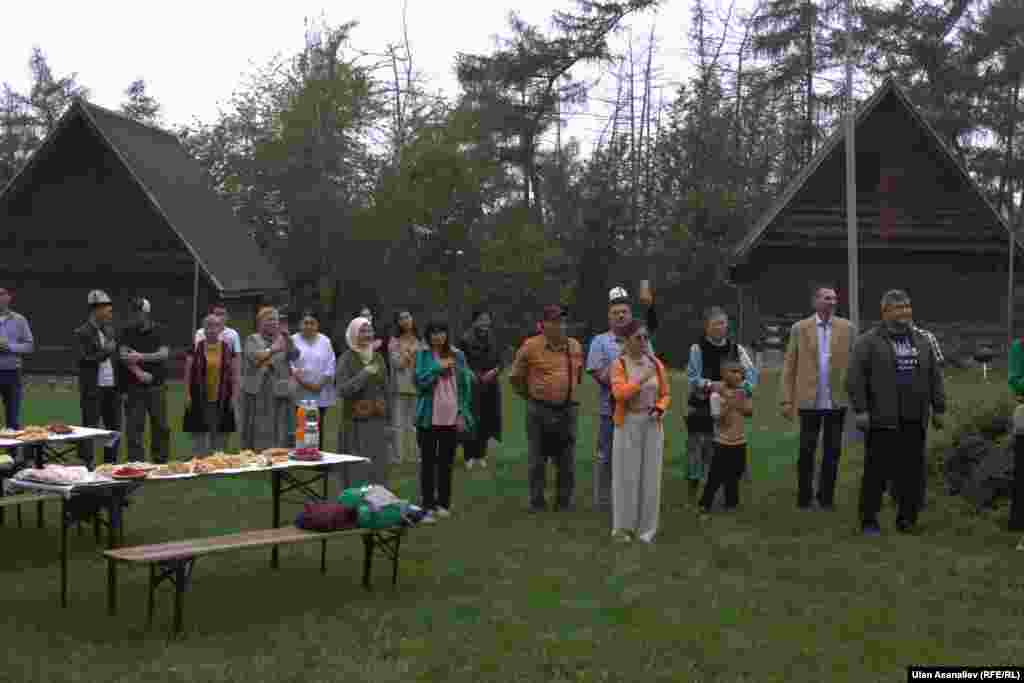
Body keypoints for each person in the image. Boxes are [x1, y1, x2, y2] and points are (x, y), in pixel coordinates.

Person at [848, 289, 946, 536]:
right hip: (882, 418)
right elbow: (855, 378)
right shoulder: (868, 341)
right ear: (885, 312)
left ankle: (907, 520)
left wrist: (939, 407)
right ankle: (869, 520)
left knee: (911, 473)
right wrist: (861, 410)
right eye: (899, 307)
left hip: (915, 418)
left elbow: (935, 376)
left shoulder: (922, 341)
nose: (905, 312)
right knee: (876, 472)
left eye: (907, 307)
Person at [780, 285, 857, 511]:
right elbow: (790, 365)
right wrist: (786, 399)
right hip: (808, 399)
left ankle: (826, 499)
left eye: (834, 298)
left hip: (837, 400)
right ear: (815, 302)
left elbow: (856, 364)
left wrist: (858, 396)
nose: (832, 302)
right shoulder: (799, 328)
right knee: (806, 451)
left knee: (832, 452)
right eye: (827, 298)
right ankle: (804, 498)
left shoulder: (848, 328)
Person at [509, 304, 584, 512]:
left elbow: (578, 375)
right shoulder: (531, 346)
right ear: (543, 325)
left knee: (567, 459)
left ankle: (564, 502)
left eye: (563, 321)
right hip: (539, 410)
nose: (560, 326)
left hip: (567, 409)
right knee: (537, 459)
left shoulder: (575, 346)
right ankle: (537, 502)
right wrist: (530, 396)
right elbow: (515, 377)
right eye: (555, 321)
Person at [685, 307, 757, 508]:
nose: (720, 327)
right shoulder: (697, 349)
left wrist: (741, 388)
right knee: (698, 452)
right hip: (701, 407)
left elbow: (752, 375)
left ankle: (724, 494)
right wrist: (712, 385)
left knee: (724, 452)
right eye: (716, 323)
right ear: (706, 326)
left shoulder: (737, 349)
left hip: (730, 408)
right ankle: (696, 492)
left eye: (723, 323)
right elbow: (693, 378)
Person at [609, 319, 670, 543]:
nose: (643, 341)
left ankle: (647, 529)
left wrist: (660, 408)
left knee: (651, 476)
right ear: (626, 340)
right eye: (638, 337)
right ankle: (623, 528)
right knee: (626, 475)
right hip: (628, 423)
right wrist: (643, 378)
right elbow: (620, 394)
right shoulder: (619, 364)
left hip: (652, 424)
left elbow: (665, 394)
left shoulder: (655, 363)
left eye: (646, 337)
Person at [587, 286, 644, 514]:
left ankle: (631, 497)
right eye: (616, 312)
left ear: (630, 315)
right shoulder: (599, 342)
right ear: (609, 317)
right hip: (610, 412)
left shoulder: (641, 338)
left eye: (624, 312)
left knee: (634, 456)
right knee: (606, 457)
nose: (621, 316)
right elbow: (600, 375)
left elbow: (649, 368)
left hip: (638, 410)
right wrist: (624, 368)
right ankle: (603, 501)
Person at [415, 318, 475, 523]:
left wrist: (462, 412)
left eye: (441, 332)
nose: (438, 337)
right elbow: (420, 383)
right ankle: (428, 505)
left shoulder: (458, 355)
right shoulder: (423, 355)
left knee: (446, 463)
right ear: (428, 336)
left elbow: (465, 386)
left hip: (451, 415)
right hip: (428, 417)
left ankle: (443, 504)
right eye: (433, 333)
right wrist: (436, 368)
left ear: (447, 334)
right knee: (428, 463)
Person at [337, 316, 392, 489]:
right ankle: (356, 500)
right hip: (355, 424)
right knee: (357, 466)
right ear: (353, 334)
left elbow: (387, 390)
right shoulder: (346, 358)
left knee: (377, 464)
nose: (367, 335)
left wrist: (389, 421)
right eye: (362, 331)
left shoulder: (378, 358)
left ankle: (378, 499)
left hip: (377, 422)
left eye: (370, 330)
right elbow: (342, 390)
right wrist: (364, 374)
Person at [698, 355, 754, 517]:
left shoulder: (743, 392)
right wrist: (729, 402)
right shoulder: (716, 396)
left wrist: (743, 400)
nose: (737, 375)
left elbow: (749, 412)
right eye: (733, 371)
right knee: (716, 475)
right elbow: (718, 419)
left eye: (739, 372)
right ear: (723, 374)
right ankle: (705, 503)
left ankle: (731, 503)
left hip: (740, 441)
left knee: (735, 474)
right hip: (722, 442)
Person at [74, 290, 124, 467]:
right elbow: (83, 360)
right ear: (96, 310)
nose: (110, 312)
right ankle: (87, 465)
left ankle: (110, 464)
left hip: (112, 388)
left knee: (113, 430)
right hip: (93, 389)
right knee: (89, 428)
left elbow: (116, 358)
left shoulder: (110, 330)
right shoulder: (82, 332)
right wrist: (105, 352)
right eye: (106, 308)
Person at [120, 297, 171, 463]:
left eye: (138, 312)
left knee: (160, 426)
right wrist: (139, 373)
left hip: (157, 386)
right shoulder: (127, 331)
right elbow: (123, 355)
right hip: (134, 387)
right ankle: (136, 464)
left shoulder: (160, 330)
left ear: (146, 313)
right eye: (133, 312)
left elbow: (163, 354)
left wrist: (140, 356)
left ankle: (160, 463)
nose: (135, 315)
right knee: (134, 429)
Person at [240, 307, 298, 451]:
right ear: (260, 322)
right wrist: (273, 349)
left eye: (276, 320)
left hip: (281, 390)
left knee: (282, 426)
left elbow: (294, 355)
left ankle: (280, 451)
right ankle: (258, 453)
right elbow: (255, 358)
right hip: (260, 392)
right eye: (270, 319)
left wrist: (288, 338)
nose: (274, 323)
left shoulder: (283, 339)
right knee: (261, 426)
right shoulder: (252, 339)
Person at [184, 314, 239, 455]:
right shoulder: (195, 347)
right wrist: (187, 394)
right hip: (199, 396)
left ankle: (218, 458)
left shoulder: (227, 348)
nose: (212, 329)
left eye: (215, 326)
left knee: (221, 433)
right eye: (208, 326)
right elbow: (188, 373)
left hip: (223, 396)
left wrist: (234, 395)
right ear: (203, 329)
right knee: (199, 433)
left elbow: (234, 373)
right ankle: (200, 458)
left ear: (220, 329)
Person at [461, 310, 503, 470]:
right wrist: (469, 373)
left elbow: (500, 361)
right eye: (482, 319)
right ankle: (469, 455)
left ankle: (481, 454)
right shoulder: (465, 339)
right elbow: (459, 362)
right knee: (471, 419)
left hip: (490, 384)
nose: (485, 323)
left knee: (487, 418)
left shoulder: (494, 339)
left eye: (487, 319)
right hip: (472, 385)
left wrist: (495, 371)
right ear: (474, 322)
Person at [291, 309, 336, 452]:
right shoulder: (293, 340)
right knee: (300, 425)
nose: (309, 326)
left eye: (312, 323)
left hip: (320, 392)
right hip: (299, 392)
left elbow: (331, 364)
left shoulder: (325, 341)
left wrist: (319, 384)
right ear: (300, 324)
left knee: (317, 426)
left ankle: (316, 453)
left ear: (317, 325)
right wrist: (305, 383)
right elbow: (290, 365)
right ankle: (299, 452)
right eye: (306, 323)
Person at [389, 310, 424, 465]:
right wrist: (411, 355)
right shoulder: (394, 341)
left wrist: (407, 355)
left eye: (408, 317)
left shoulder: (420, 340)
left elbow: (423, 363)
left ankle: (418, 456)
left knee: (417, 425)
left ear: (412, 319)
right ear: (398, 322)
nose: (405, 320)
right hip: (399, 388)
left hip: (417, 387)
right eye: (401, 318)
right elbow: (398, 364)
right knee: (398, 425)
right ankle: (398, 457)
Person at [0, 286, 34, 433]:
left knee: (13, 418)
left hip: (12, 372)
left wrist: (10, 347)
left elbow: (29, 345)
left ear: (9, 298)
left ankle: (13, 447)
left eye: (2, 294)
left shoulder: (19, 320)